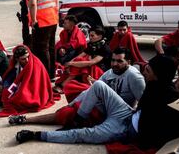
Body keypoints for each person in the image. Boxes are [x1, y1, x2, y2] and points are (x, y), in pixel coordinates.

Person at [14, 55, 179, 150]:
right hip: (128, 114)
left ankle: (35, 135)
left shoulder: (170, 99)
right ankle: (77, 119)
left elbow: (178, 126)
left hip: (126, 131)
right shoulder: (154, 85)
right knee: (96, 86)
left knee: (81, 135)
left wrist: (137, 138)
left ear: (160, 75)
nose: (145, 73)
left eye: (149, 71)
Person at [8, 47, 145, 127]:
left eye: (119, 61)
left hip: (115, 112)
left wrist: (132, 123)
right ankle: (28, 119)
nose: (115, 64)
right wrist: (73, 103)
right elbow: (94, 89)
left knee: (67, 114)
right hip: (102, 105)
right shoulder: (111, 72)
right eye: (113, 60)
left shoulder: (134, 76)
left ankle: (26, 120)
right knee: (74, 97)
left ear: (128, 62)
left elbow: (144, 102)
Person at [0, 45, 55, 117]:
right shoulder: (15, 65)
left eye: (28, 57)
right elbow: (10, 78)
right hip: (19, 87)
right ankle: (4, 99)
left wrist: (15, 92)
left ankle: (3, 101)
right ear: (17, 59)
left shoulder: (36, 64)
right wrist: (7, 88)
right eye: (23, 59)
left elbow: (35, 86)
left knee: (21, 99)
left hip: (34, 92)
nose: (27, 60)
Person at [18, 0, 59, 79]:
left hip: (42, 22)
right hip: (53, 19)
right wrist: (56, 13)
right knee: (51, 47)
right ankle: (51, 73)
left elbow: (32, 3)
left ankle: (44, 75)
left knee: (40, 49)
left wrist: (34, 20)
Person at [54, 26, 111, 100]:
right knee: (78, 60)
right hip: (91, 68)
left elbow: (92, 62)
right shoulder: (92, 45)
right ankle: (64, 83)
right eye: (90, 35)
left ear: (99, 36)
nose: (90, 37)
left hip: (100, 71)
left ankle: (62, 85)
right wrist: (70, 63)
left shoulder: (105, 48)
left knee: (82, 63)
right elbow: (80, 55)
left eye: (92, 35)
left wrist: (72, 64)